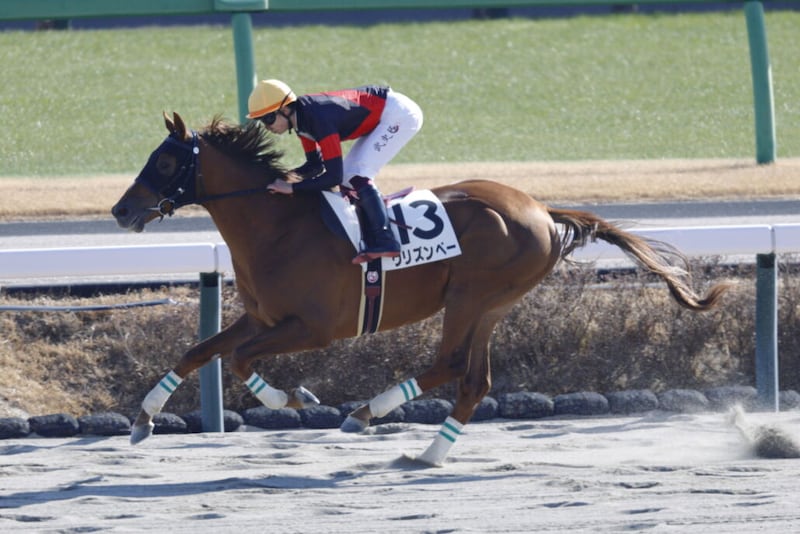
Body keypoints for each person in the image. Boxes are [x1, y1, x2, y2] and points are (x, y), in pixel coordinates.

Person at [246, 79, 423, 264]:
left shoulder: (317, 119)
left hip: (399, 115)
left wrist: (292, 188)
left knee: (356, 175)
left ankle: (385, 240)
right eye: (262, 121)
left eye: (268, 119)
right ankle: (369, 225)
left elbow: (333, 177)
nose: (268, 127)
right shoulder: (301, 121)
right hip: (384, 112)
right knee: (349, 176)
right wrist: (281, 180)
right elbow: (315, 166)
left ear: (285, 109)